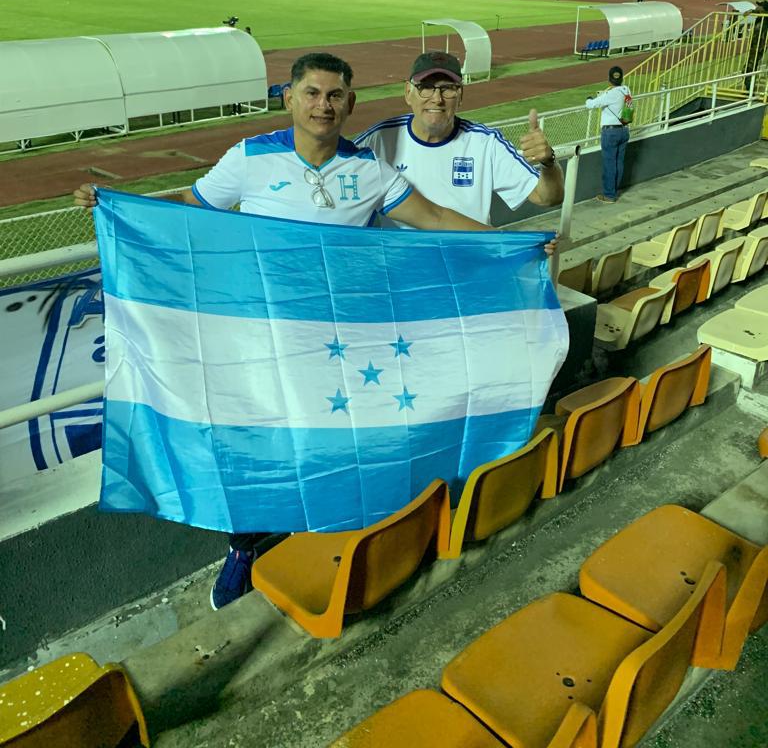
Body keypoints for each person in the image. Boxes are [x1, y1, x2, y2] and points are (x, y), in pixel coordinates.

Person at [74, 52, 501, 610]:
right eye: (312, 93)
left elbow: (438, 220)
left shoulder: (369, 170)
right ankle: (246, 547)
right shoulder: (250, 158)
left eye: (335, 96)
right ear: (290, 99)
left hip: (338, 342)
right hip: (263, 339)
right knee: (261, 442)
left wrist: (502, 244)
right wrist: (116, 205)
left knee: (335, 439)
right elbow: (190, 206)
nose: (323, 105)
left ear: (350, 103)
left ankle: (329, 528)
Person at [355, 51, 564, 228]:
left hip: (469, 264)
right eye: (426, 87)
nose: (437, 99)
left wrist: (548, 163)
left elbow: (547, 197)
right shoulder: (378, 141)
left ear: (461, 95)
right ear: (408, 93)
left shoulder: (485, 143)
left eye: (447, 88)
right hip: (405, 267)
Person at [585, 65, 632, 203]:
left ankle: (609, 195)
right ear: (622, 78)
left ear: (609, 79)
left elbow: (591, 104)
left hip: (611, 133)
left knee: (609, 164)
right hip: (624, 130)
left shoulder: (611, 94)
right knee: (619, 162)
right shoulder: (626, 90)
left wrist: (589, 99)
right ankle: (614, 190)